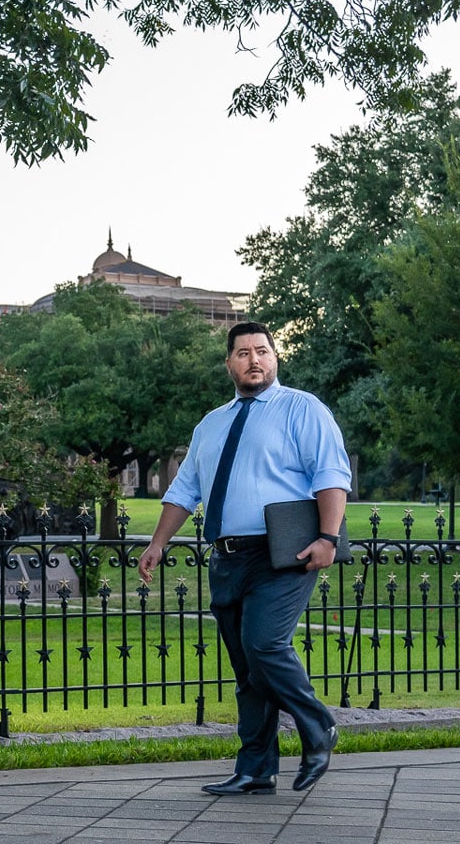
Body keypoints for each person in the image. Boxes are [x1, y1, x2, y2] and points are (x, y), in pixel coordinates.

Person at [138, 321, 349, 795]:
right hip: (227, 556)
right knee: (247, 671)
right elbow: (185, 489)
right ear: (229, 363)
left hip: (285, 552)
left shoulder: (302, 408)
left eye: (263, 351)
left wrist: (329, 539)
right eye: (243, 353)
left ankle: (318, 726)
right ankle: (256, 769)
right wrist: (157, 543)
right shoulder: (211, 424)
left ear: (276, 358)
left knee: (265, 646)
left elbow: (331, 472)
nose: (255, 360)